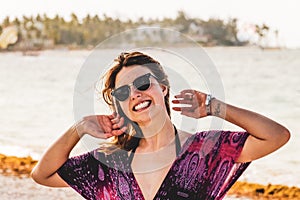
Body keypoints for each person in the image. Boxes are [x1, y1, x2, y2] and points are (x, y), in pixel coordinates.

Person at [31, 51, 290, 200]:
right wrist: (79, 128)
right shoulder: (110, 163)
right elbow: (41, 174)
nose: (135, 94)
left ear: (163, 87)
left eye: (143, 83)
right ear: (119, 105)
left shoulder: (205, 151)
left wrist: (214, 107)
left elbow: (276, 136)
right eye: (123, 92)